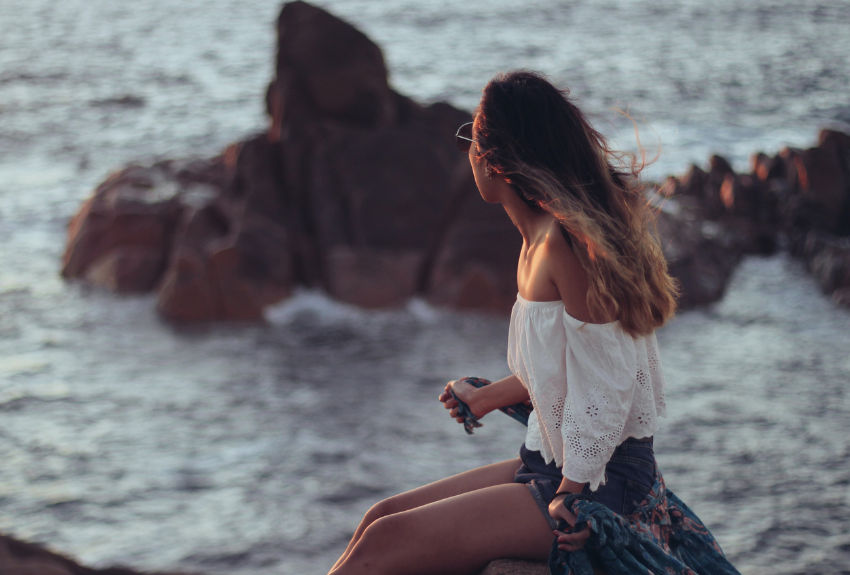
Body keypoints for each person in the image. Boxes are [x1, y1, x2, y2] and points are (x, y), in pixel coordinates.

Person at [328, 70, 736, 575]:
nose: (468, 153)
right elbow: (567, 367)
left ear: (495, 159)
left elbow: (608, 385)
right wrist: (485, 397)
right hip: (550, 462)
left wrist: (572, 498)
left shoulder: (564, 244)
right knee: (380, 516)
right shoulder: (536, 242)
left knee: (385, 544)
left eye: (470, 139)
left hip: (601, 482)